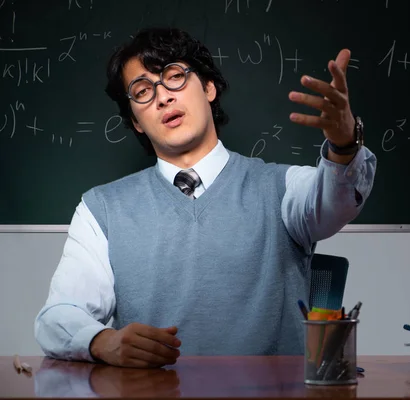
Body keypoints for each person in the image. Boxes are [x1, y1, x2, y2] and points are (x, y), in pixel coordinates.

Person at [34, 27, 377, 368]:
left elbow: (337, 202)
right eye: (142, 91)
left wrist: (345, 145)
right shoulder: (102, 210)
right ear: (136, 122)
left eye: (175, 77)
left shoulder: (282, 188)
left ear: (209, 87)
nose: (162, 97)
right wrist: (101, 340)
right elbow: (59, 317)